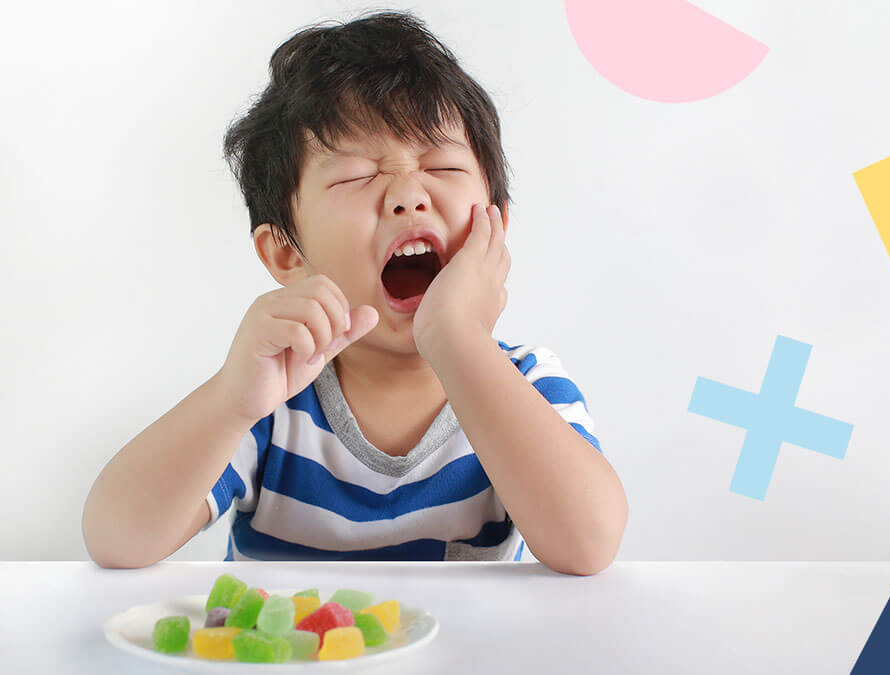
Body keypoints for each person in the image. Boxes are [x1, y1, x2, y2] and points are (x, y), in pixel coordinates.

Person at [82, 9, 627, 575]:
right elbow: (116, 541)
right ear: (287, 253)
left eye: (441, 165)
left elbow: (587, 546)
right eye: (355, 175)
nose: (409, 195)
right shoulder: (273, 398)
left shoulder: (526, 385)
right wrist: (230, 399)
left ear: (496, 226)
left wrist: (459, 342)